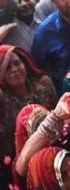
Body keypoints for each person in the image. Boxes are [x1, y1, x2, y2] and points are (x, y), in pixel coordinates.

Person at [0, 45, 57, 186]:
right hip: (22, 160)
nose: (14, 69)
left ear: (24, 63)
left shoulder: (44, 84)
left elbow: (58, 113)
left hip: (54, 143)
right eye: (7, 68)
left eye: (17, 63)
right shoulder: (2, 101)